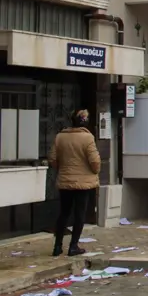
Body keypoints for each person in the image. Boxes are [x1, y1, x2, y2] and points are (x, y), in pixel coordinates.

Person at [48, 109, 101, 257]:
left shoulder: (60, 137)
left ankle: (57, 246)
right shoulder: (87, 138)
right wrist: (94, 171)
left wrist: (63, 169)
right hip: (83, 183)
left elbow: (52, 159)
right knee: (79, 214)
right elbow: (95, 161)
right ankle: (73, 246)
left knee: (64, 213)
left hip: (65, 181)